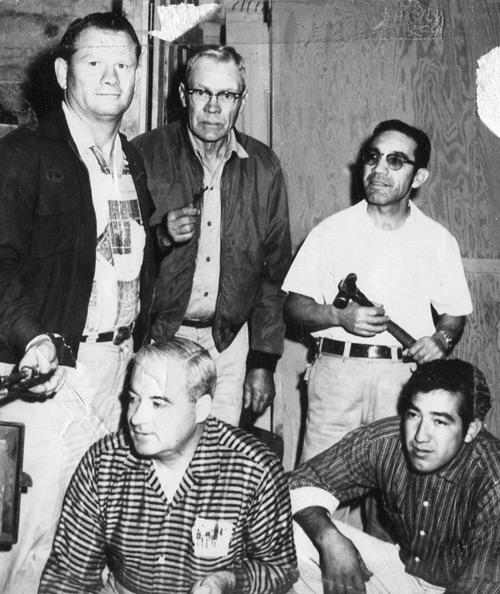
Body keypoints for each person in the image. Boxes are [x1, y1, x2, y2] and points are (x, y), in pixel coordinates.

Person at [0, 13, 154, 593]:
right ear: (64, 72)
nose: (111, 77)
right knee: (30, 541)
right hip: (48, 374)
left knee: (88, 545)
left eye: (124, 64)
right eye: (94, 62)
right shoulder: (23, 154)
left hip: (116, 375)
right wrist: (31, 336)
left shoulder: (130, 161)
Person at [39, 338, 298, 594]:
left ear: (201, 409)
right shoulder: (103, 463)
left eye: (158, 403)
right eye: (133, 399)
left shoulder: (254, 469)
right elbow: (69, 577)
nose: (137, 418)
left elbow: (279, 569)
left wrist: (229, 581)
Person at [283, 119, 473, 461]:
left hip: (402, 383)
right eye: (373, 157)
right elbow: (293, 307)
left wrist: (440, 340)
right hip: (337, 377)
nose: (379, 169)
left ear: (419, 177)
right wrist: (338, 316)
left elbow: (454, 314)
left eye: (395, 161)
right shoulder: (331, 232)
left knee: (393, 488)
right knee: (319, 485)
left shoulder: (437, 240)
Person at [132, 46, 291, 426]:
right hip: (159, 337)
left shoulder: (263, 166)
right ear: (184, 95)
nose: (213, 107)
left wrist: (263, 361)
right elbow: (112, 256)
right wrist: (161, 236)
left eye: (227, 95)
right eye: (202, 92)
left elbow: (273, 276)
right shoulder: (144, 154)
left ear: (242, 100)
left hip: (229, 345)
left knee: (218, 451)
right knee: (158, 441)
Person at [288, 359, 500, 594]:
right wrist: (329, 539)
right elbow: (300, 482)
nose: (420, 436)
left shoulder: (493, 478)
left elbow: (484, 584)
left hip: (468, 587)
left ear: (471, 430)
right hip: (405, 574)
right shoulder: (387, 441)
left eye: (439, 421)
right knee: (291, 531)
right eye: (414, 415)